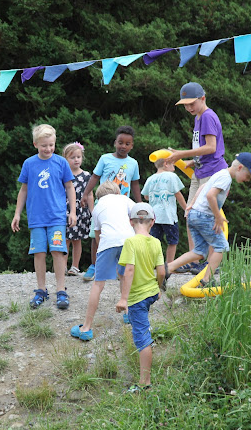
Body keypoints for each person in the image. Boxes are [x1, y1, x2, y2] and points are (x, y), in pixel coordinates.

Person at [166, 153, 251, 288]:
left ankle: (168, 268)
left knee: (199, 252)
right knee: (221, 247)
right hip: (204, 216)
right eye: (248, 176)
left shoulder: (220, 173)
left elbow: (202, 188)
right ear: (240, 168)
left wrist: (191, 205)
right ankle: (206, 280)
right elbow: (211, 195)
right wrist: (218, 217)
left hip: (195, 214)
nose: (248, 180)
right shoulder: (226, 178)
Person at [11, 124, 77, 310]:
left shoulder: (61, 163)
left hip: (56, 216)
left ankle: (61, 290)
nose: (48, 149)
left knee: (58, 251)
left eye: (51, 145)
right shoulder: (29, 164)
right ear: (35, 144)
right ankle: (41, 290)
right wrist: (17, 213)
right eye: (44, 146)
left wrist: (72, 212)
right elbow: (23, 190)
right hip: (36, 218)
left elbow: (70, 187)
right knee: (38, 252)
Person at [166, 82, 228, 274]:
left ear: (203, 98)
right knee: (190, 215)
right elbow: (205, 149)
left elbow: (211, 147)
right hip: (200, 171)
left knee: (206, 217)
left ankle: (211, 263)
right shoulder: (199, 117)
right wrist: (193, 160)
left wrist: (182, 154)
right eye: (185, 104)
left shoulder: (208, 116)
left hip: (212, 173)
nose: (188, 108)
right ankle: (195, 258)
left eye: (192, 103)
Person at [71, 181, 135, 341]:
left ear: (99, 196)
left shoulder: (98, 207)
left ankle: (86, 328)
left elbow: (98, 234)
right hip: (129, 240)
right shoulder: (124, 199)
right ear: (117, 191)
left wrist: (106, 253)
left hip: (108, 242)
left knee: (98, 284)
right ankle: (129, 314)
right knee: (125, 275)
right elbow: (140, 212)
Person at [79, 125, 142, 282]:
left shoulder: (133, 163)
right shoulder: (105, 158)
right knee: (96, 235)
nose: (123, 146)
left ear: (132, 146)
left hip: (123, 206)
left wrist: (140, 204)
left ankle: (122, 268)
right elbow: (94, 177)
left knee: (125, 236)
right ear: (115, 142)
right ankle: (94, 265)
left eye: (127, 144)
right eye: (121, 142)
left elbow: (134, 184)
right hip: (104, 205)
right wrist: (86, 194)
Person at [115, 202, 165, 393]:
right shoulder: (156, 242)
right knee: (142, 326)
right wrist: (158, 288)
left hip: (137, 298)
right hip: (151, 293)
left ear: (130, 221)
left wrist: (124, 299)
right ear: (152, 222)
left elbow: (128, 270)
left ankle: (145, 382)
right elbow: (161, 271)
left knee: (143, 338)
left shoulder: (130, 242)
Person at [141, 157, 187, 264]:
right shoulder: (171, 176)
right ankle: (169, 265)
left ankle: (153, 264)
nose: (174, 167)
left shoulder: (150, 178)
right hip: (168, 216)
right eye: (173, 165)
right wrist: (186, 209)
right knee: (172, 241)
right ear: (166, 164)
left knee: (155, 241)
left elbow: (146, 197)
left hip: (154, 217)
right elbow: (178, 195)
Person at [62, 142, 94, 276]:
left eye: (78, 157)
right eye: (72, 157)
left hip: (81, 212)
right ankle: (62, 266)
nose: (76, 160)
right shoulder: (62, 174)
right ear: (65, 159)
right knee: (64, 239)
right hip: (65, 210)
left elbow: (90, 194)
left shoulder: (86, 175)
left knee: (77, 240)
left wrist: (93, 212)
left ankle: (75, 266)